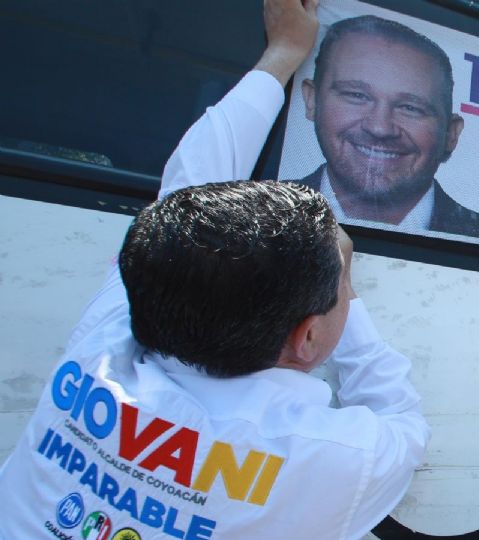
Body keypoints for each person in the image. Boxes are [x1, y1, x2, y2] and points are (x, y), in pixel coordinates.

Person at [0, 1, 428, 539]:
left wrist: (282, 53)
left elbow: (187, 186)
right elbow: (402, 422)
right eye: (340, 293)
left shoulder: (100, 357)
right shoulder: (329, 459)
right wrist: (344, 283)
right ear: (308, 335)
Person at [297, 14, 479, 248]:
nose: (380, 127)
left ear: (451, 133)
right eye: (356, 95)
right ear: (312, 101)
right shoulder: (260, 210)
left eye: (410, 108)